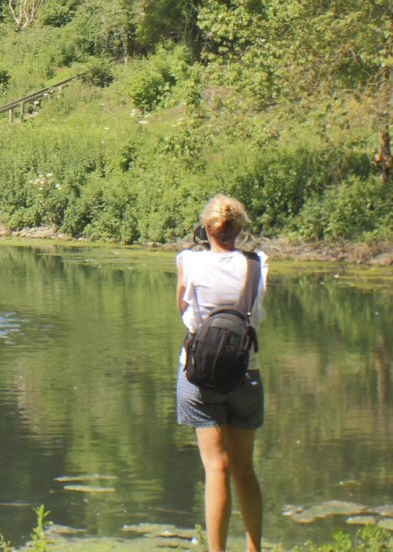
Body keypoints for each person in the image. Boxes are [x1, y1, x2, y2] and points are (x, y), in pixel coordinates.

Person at [175, 194, 265, 552]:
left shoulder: (188, 262)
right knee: (245, 469)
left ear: (206, 229)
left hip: (199, 376)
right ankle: (254, 548)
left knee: (216, 468)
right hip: (247, 374)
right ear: (239, 229)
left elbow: (181, 305)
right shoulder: (259, 264)